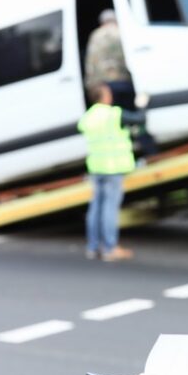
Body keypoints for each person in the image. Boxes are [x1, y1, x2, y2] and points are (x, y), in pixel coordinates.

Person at [77, 85, 148, 262]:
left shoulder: (88, 117)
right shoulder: (113, 114)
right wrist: (142, 104)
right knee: (110, 209)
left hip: (96, 167)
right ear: (105, 97)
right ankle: (110, 248)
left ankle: (93, 247)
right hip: (113, 167)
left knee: (95, 208)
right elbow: (139, 119)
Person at [85, 9, 158, 158]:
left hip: (105, 88)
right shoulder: (121, 32)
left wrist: (93, 90)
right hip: (123, 82)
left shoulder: (95, 36)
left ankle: (127, 153)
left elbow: (90, 66)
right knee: (134, 118)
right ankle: (150, 150)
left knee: (116, 123)